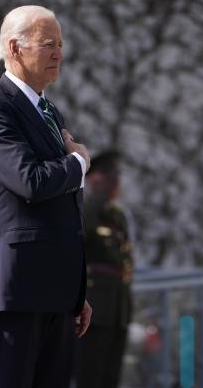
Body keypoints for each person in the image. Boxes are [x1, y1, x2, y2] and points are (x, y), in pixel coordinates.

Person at [0, 5, 92, 388]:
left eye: (61, 44)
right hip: (18, 289)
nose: (58, 53)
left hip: (58, 292)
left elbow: (62, 206)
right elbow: (30, 181)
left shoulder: (50, 111)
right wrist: (79, 162)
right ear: (14, 48)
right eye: (48, 44)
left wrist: (75, 291)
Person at [76, 150, 133, 388]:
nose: (115, 182)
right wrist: (100, 193)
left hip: (118, 309)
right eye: (109, 176)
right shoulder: (87, 208)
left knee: (111, 377)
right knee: (91, 375)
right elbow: (83, 230)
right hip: (96, 308)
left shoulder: (116, 216)